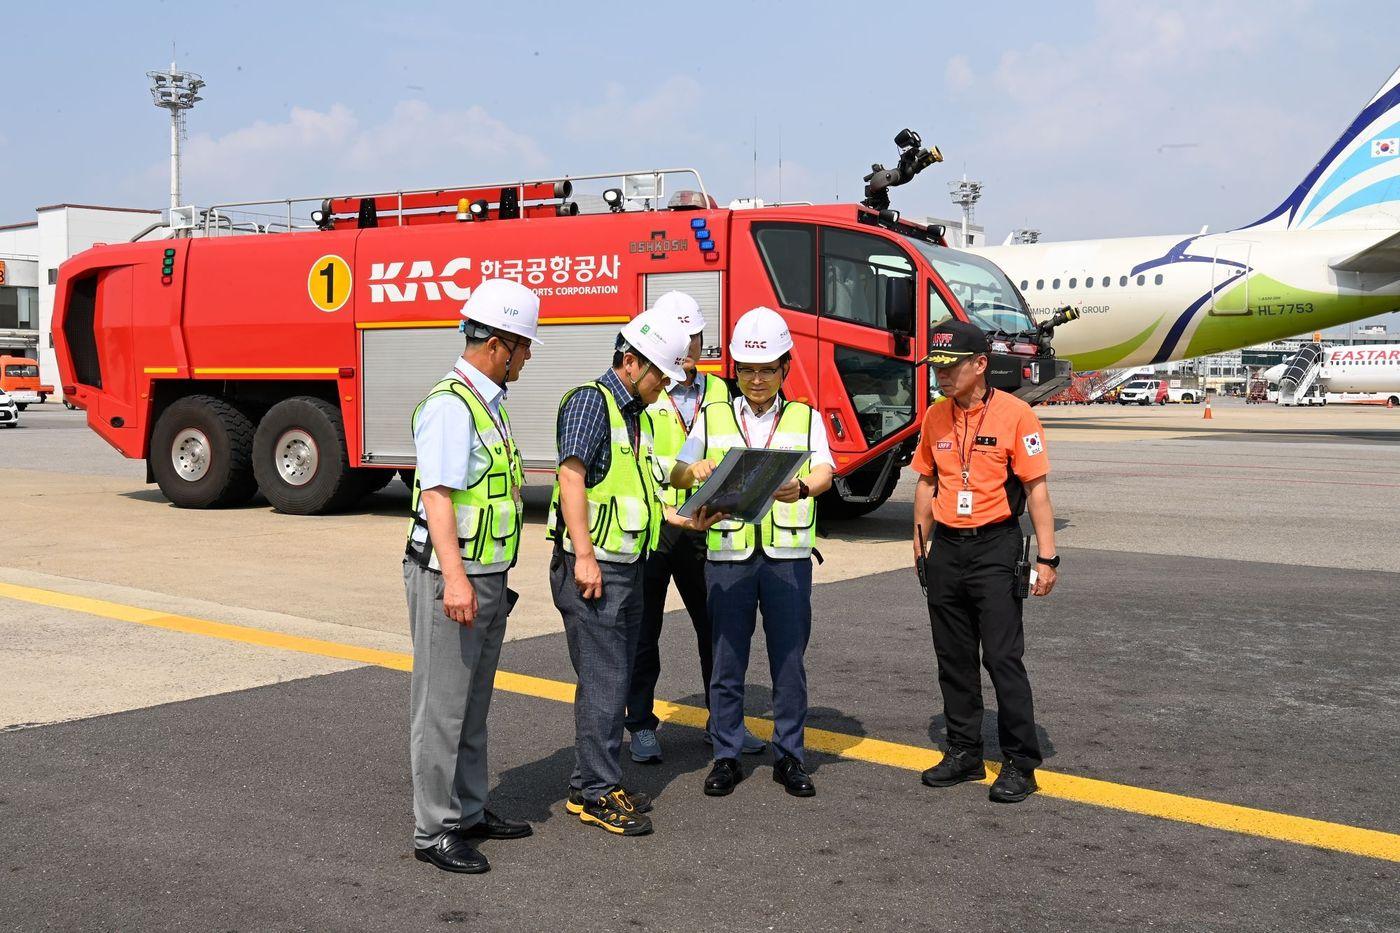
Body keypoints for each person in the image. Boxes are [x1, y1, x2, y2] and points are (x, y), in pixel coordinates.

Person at [548, 306, 724, 836]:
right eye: (660, 377)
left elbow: (641, 487)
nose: (663, 388)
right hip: (595, 569)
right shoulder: (590, 404)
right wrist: (583, 556)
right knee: (605, 682)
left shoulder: (637, 418)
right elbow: (571, 478)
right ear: (631, 362)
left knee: (612, 680)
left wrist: (684, 512)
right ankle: (598, 793)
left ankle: (590, 781)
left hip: (625, 567)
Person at [404, 278, 540, 875]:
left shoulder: (486, 403)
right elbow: (436, 496)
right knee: (442, 706)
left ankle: (470, 811)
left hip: (487, 573)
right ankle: (433, 829)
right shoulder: (450, 405)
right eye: (525, 346)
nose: (529, 356)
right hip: (452, 577)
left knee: (473, 703)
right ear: (500, 345)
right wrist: (455, 579)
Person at [670, 307, 834, 799]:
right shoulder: (711, 415)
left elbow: (827, 470)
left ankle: (790, 756)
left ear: (786, 367)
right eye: (746, 369)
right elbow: (678, 473)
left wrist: (802, 487)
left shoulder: (806, 417)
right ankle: (725, 756)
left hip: (786, 559)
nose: (756, 379)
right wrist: (693, 471)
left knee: (789, 661)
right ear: (735, 371)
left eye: (766, 369)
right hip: (727, 557)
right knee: (726, 660)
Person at [910, 318, 1060, 804]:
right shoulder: (935, 416)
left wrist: (1048, 556)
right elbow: (927, 481)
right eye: (936, 368)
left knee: (1001, 657)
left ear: (981, 365)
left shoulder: (1017, 415)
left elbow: (1036, 491)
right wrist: (919, 543)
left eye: (950, 367)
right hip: (948, 549)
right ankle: (964, 752)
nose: (941, 376)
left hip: (996, 546)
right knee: (952, 658)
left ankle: (1021, 761)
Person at [624, 292, 766, 764]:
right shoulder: (644, 388)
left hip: (708, 524)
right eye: (678, 338)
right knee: (644, 631)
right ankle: (640, 723)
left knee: (718, 628)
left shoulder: (724, 392)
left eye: (694, 338)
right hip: (656, 524)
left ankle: (723, 722)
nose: (686, 348)